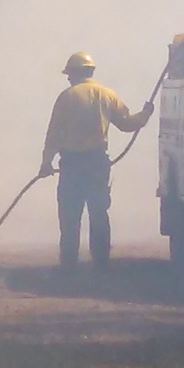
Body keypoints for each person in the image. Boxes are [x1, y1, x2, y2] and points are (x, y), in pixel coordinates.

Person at [40, 51, 152, 271]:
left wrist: (46, 163)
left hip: (71, 165)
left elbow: (54, 134)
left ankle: (69, 266)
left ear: (73, 73)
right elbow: (127, 124)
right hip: (97, 164)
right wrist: (145, 114)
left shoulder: (67, 97)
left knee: (70, 217)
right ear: (90, 71)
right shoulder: (106, 94)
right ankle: (101, 264)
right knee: (99, 213)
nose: (68, 78)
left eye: (69, 74)